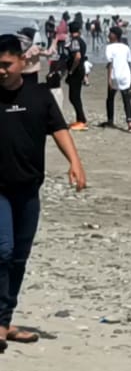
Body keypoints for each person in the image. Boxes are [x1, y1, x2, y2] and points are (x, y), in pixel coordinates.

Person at [0, 34, 87, 350]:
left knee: (19, 258)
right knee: (3, 250)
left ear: (22, 62)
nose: (1, 70)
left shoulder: (39, 96)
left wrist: (75, 162)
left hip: (28, 189)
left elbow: (59, 129)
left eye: (6, 64)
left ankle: (4, 322)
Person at [103, 27, 131, 133]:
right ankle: (129, 123)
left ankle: (111, 120)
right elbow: (129, 62)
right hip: (125, 75)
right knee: (126, 99)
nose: (108, 35)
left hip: (115, 75)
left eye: (110, 33)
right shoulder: (125, 47)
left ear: (115, 35)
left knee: (110, 98)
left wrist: (108, 80)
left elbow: (110, 64)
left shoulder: (109, 47)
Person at [66, 24, 88, 131]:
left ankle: (82, 120)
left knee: (74, 96)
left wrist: (71, 70)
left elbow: (77, 57)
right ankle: (80, 119)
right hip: (80, 70)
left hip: (76, 71)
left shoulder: (74, 41)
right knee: (75, 96)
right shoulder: (81, 40)